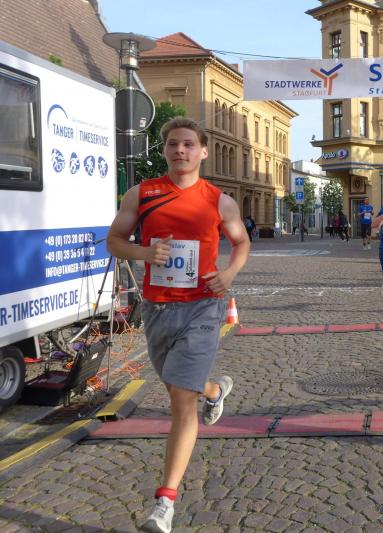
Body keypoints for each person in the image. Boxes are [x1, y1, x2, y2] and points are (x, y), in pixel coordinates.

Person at [106, 118, 250, 533]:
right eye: (173, 144)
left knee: (181, 400)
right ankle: (215, 389)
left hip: (204, 306)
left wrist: (229, 273)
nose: (180, 150)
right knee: (177, 385)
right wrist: (144, 253)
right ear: (165, 150)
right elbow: (114, 240)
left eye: (188, 144)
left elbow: (241, 242)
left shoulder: (220, 201)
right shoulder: (142, 194)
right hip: (157, 309)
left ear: (202, 151)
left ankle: (164, 503)